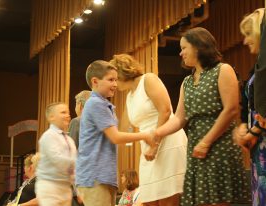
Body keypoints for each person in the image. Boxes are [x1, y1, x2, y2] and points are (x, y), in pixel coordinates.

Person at [153, 27, 251, 206]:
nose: (181, 53)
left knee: (219, 201)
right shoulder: (187, 82)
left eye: (184, 48)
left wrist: (207, 141)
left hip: (219, 145)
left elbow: (231, 110)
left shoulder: (223, 70)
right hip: (197, 147)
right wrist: (158, 132)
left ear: (198, 46)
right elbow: (179, 118)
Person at [110, 54, 187, 206]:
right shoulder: (129, 96)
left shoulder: (148, 79)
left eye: (114, 78)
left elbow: (164, 110)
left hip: (167, 140)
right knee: (149, 199)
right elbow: (125, 127)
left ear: (122, 72)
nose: (114, 83)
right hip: (148, 146)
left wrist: (155, 144)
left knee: (168, 199)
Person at [75, 60, 155, 206]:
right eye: (111, 80)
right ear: (95, 81)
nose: (116, 84)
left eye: (116, 80)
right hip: (95, 176)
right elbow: (116, 137)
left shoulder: (104, 105)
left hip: (103, 175)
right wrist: (146, 135)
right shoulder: (96, 103)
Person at [234, 8, 266, 206]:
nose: (245, 41)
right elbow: (249, 104)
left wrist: (255, 130)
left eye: (248, 34)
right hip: (259, 150)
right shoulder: (256, 68)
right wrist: (243, 126)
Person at [36, 102, 77, 206]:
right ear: (51, 117)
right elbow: (57, 160)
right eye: (63, 112)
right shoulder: (48, 136)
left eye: (68, 112)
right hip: (50, 186)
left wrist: (78, 189)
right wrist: (82, 161)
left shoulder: (69, 140)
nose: (68, 115)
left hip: (66, 187)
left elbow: (74, 169)